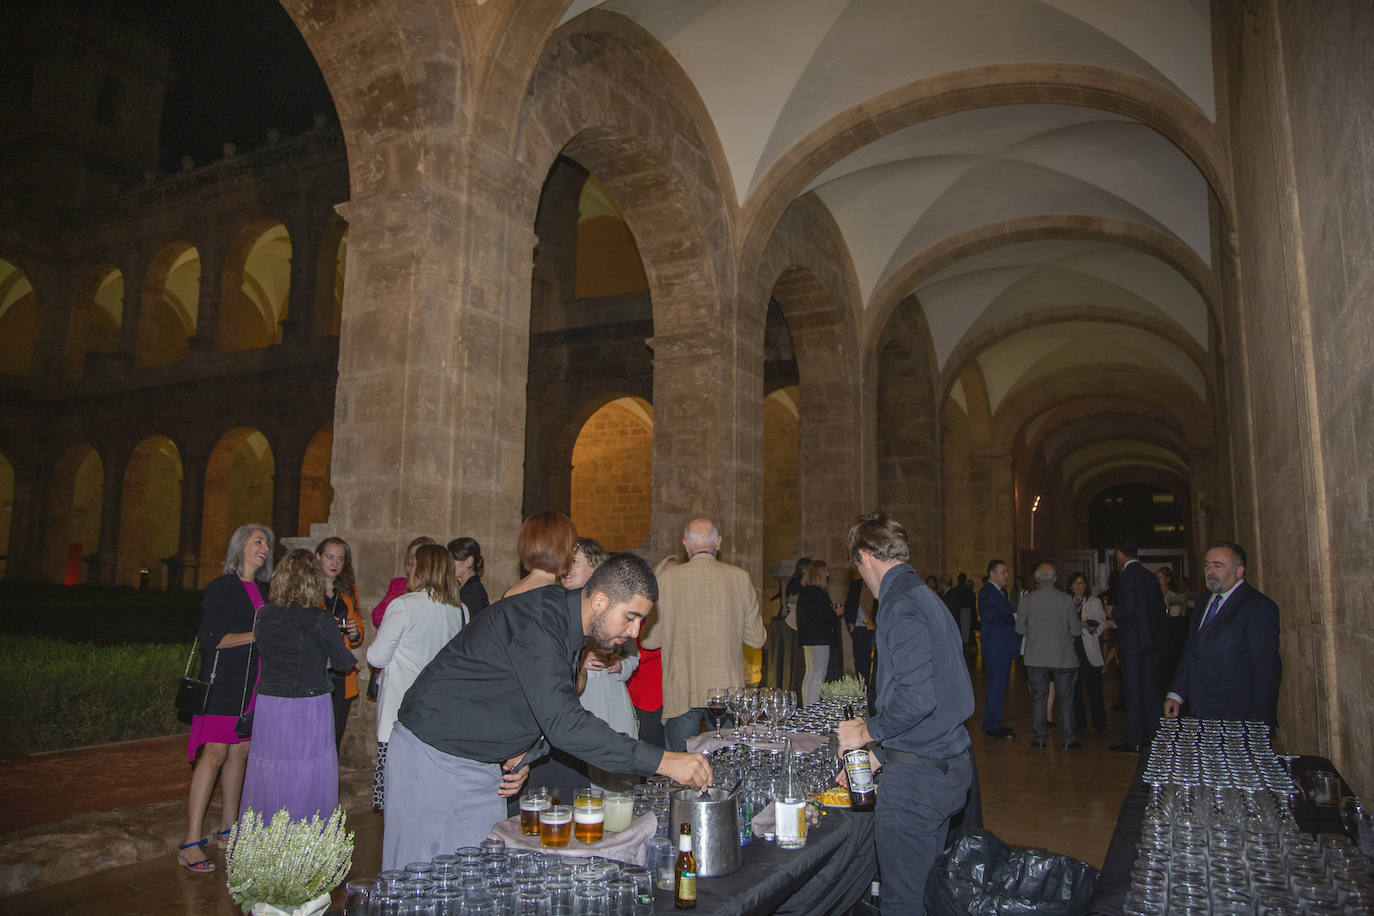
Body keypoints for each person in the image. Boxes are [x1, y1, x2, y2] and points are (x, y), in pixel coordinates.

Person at [382, 553, 713, 868]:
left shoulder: (565, 625)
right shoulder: (539, 621)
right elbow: (564, 724)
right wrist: (664, 761)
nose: (634, 633)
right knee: (423, 883)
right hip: (432, 756)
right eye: (631, 617)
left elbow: (529, 696)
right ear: (599, 601)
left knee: (478, 883)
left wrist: (521, 752)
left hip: (478, 766)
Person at [837, 514, 973, 916]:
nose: (862, 577)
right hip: (943, 760)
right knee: (926, 891)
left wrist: (866, 732)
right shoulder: (925, 595)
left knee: (902, 900)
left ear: (865, 556)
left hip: (919, 783)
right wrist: (882, 754)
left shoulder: (899, 603)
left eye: (858, 567)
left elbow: (917, 698)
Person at [177, 524, 273, 873]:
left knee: (240, 752)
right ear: (240, 546)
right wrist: (257, 633)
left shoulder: (265, 589)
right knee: (214, 754)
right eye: (258, 541)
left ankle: (228, 828)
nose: (264, 547)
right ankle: (190, 842)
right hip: (223, 684)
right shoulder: (222, 587)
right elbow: (211, 638)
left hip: (252, 686)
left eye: (267, 543)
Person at [239, 549, 358, 822]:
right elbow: (343, 662)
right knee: (307, 772)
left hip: (270, 704)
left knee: (270, 771)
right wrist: (323, 660)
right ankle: (303, 838)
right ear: (313, 581)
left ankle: (267, 836)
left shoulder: (264, 614)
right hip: (308, 704)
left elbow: (266, 651)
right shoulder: (319, 618)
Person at [641, 518, 767, 751]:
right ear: (718, 543)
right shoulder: (740, 578)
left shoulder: (666, 579)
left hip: (683, 690)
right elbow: (757, 638)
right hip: (727, 691)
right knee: (725, 767)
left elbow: (650, 641)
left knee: (680, 769)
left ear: (686, 545)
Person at [365, 544, 468, 810]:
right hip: (438, 715)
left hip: (401, 713)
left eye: (413, 564)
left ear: (422, 569)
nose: (409, 569)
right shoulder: (460, 611)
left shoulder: (404, 606)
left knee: (398, 801)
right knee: (429, 800)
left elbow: (376, 657)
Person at [1164, 541, 1281, 724]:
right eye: (1207, 565)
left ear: (1239, 571)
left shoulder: (1258, 607)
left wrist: (1259, 725)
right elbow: (1191, 651)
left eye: (1218, 566)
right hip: (1200, 711)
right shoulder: (1203, 602)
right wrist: (1176, 693)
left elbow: (1266, 671)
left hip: (1236, 715)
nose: (1210, 571)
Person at [566, 538, 640, 790]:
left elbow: (634, 656)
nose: (566, 567)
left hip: (614, 704)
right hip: (582, 705)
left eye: (574, 561)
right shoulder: (560, 607)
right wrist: (579, 661)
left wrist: (620, 665)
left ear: (596, 568)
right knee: (588, 789)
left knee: (619, 786)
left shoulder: (615, 608)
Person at [1108, 534, 1167, 753]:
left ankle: (1133, 738)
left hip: (1133, 643)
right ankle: (1154, 736)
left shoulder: (1126, 576)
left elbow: (1128, 609)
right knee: (1151, 691)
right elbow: (1159, 609)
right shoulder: (1150, 577)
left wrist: (1112, 611)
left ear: (1119, 555)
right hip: (1151, 641)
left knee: (1132, 691)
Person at [1016, 563, 1082, 750]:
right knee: (1066, 700)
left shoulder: (1026, 601)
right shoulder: (1066, 600)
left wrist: (1035, 632)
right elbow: (1076, 630)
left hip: (1036, 658)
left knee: (1039, 698)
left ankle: (1039, 738)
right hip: (1063, 657)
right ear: (1054, 579)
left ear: (1037, 580)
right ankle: (1068, 740)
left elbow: (1019, 628)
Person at [316, 537, 364, 751]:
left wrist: (355, 632)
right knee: (313, 737)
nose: (334, 563)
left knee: (333, 738)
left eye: (340, 559)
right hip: (314, 671)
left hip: (341, 674)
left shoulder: (348, 591)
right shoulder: (307, 590)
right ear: (318, 558)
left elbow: (359, 630)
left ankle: (326, 784)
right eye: (330, 557)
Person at [626, 555, 675, 749]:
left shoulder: (681, 613)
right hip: (647, 695)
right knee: (651, 755)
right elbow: (636, 652)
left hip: (674, 695)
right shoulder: (645, 611)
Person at [978, 560, 1018, 739]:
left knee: (999, 686)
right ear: (992, 574)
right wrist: (1014, 617)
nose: (1006, 575)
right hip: (996, 647)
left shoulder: (1000, 592)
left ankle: (992, 721)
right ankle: (992, 725)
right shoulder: (987, 592)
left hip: (1002, 646)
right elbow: (991, 617)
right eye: (1003, 572)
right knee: (996, 686)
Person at [797, 560, 842, 705]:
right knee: (818, 676)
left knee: (810, 674)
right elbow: (823, 616)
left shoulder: (805, 592)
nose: (828, 574)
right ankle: (812, 710)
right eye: (826, 571)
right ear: (820, 573)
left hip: (808, 638)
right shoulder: (818, 593)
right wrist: (835, 613)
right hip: (820, 639)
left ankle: (806, 707)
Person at [1067, 572, 1107, 735]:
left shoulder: (1094, 602)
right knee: (1075, 690)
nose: (1078, 586)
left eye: (1081, 583)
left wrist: (1094, 629)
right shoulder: (1066, 602)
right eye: (1075, 583)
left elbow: (1103, 623)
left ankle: (1099, 723)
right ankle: (1079, 722)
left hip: (1089, 648)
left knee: (1095, 689)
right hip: (1072, 649)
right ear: (1071, 586)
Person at [504, 510, 577, 598]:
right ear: (562, 549)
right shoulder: (559, 600)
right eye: (574, 545)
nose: (574, 551)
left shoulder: (509, 594)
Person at [843, 573, 875, 686]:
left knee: (871, 663)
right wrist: (850, 622)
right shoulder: (856, 585)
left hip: (872, 629)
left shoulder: (876, 584)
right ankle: (862, 689)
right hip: (859, 629)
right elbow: (849, 605)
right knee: (860, 663)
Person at [448, 536, 490, 616]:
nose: (448, 564)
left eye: (453, 559)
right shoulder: (469, 589)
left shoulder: (473, 594)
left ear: (469, 561)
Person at [945, 572, 977, 648]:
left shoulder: (955, 590)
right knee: (966, 634)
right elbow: (972, 604)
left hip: (958, 613)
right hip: (966, 612)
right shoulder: (969, 591)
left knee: (960, 632)